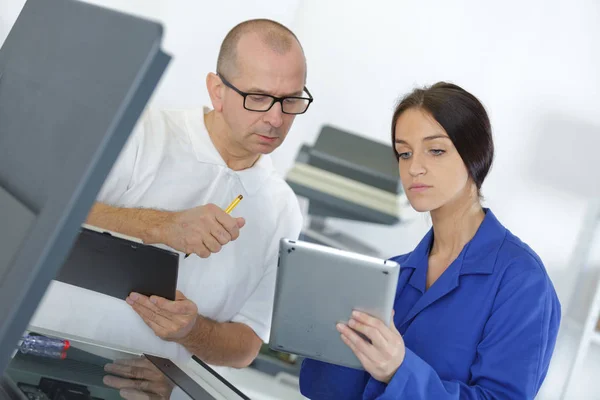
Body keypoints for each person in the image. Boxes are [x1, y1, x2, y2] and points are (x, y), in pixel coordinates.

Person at [31, 18, 310, 397]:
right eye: (258, 98)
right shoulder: (144, 134)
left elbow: (246, 345)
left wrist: (191, 334)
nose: (276, 119)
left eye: (291, 101)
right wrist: (158, 227)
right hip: (39, 353)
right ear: (217, 91)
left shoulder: (283, 210)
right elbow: (37, 209)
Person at [299, 82, 561, 399]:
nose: (414, 168)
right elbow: (321, 389)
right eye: (404, 153)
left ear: (475, 154)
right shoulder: (391, 274)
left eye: (435, 150)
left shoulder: (522, 283)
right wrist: (322, 328)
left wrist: (399, 370)